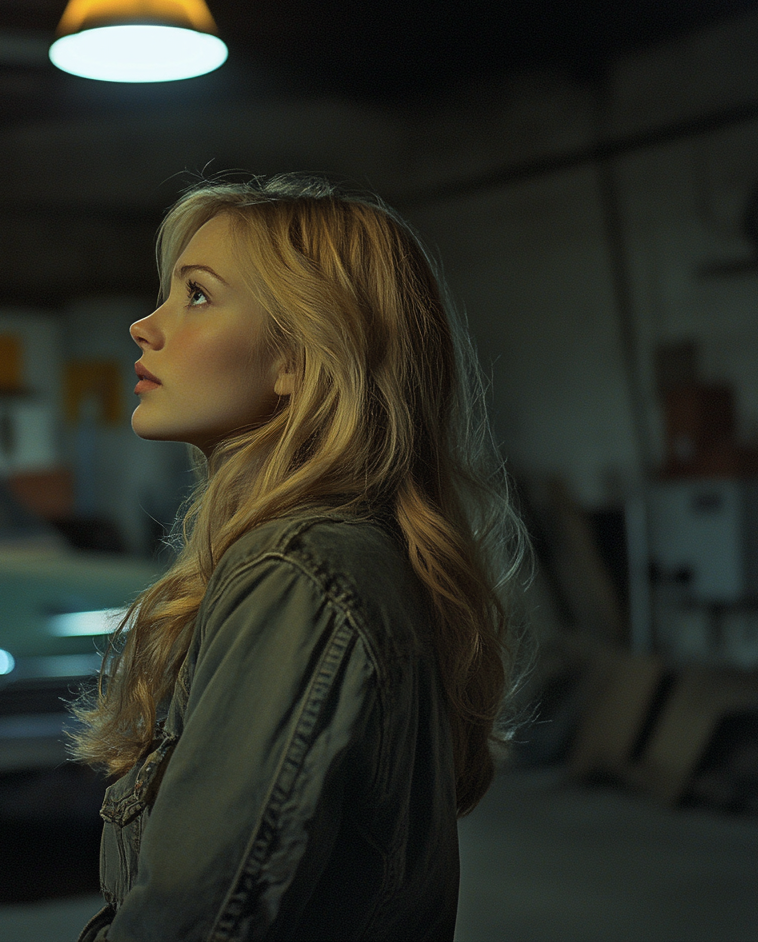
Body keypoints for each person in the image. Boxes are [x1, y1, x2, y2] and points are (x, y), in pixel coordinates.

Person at [71, 174, 530, 942]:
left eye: (197, 296)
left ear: (300, 358)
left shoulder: (298, 571)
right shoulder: (322, 555)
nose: (143, 327)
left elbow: (191, 922)